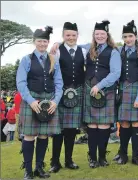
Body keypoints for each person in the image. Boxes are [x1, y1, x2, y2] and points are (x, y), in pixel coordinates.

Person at [16, 26, 63, 179]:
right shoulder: (26, 60)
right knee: (29, 136)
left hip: (49, 101)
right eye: (39, 41)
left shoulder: (53, 60)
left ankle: (39, 168)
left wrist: (55, 101)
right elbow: (21, 83)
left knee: (43, 135)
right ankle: (28, 171)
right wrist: (30, 101)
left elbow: (59, 83)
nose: (42, 44)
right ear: (34, 42)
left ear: (48, 42)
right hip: (32, 100)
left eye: (45, 41)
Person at [82, 20, 121, 168]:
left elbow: (116, 73)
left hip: (106, 89)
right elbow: (72, 46)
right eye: (97, 34)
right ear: (94, 35)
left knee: (104, 125)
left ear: (107, 35)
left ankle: (102, 157)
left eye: (102, 34)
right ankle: (92, 158)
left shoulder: (114, 51)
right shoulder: (88, 48)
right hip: (89, 88)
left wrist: (100, 85)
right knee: (92, 125)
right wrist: (56, 45)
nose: (99, 36)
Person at [49, 22, 85, 173]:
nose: (71, 38)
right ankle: (55, 162)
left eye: (73, 35)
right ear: (63, 36)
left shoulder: (83, 51)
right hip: (61, 93)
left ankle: (69, 160)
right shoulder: (56, 51)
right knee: (58, 130)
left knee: (71, 130)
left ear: (77, 36)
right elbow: (51, 70)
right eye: (67, 35)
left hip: (77, 93)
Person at [115, 20, 138, 166]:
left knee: (136, 123)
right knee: (123, 123)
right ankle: (123, 154)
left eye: (130, 36)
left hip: (137, 89)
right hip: (123, 89)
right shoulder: (117, 51)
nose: (128, 39)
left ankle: (136, 156)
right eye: (125, 36)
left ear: (136, 36)